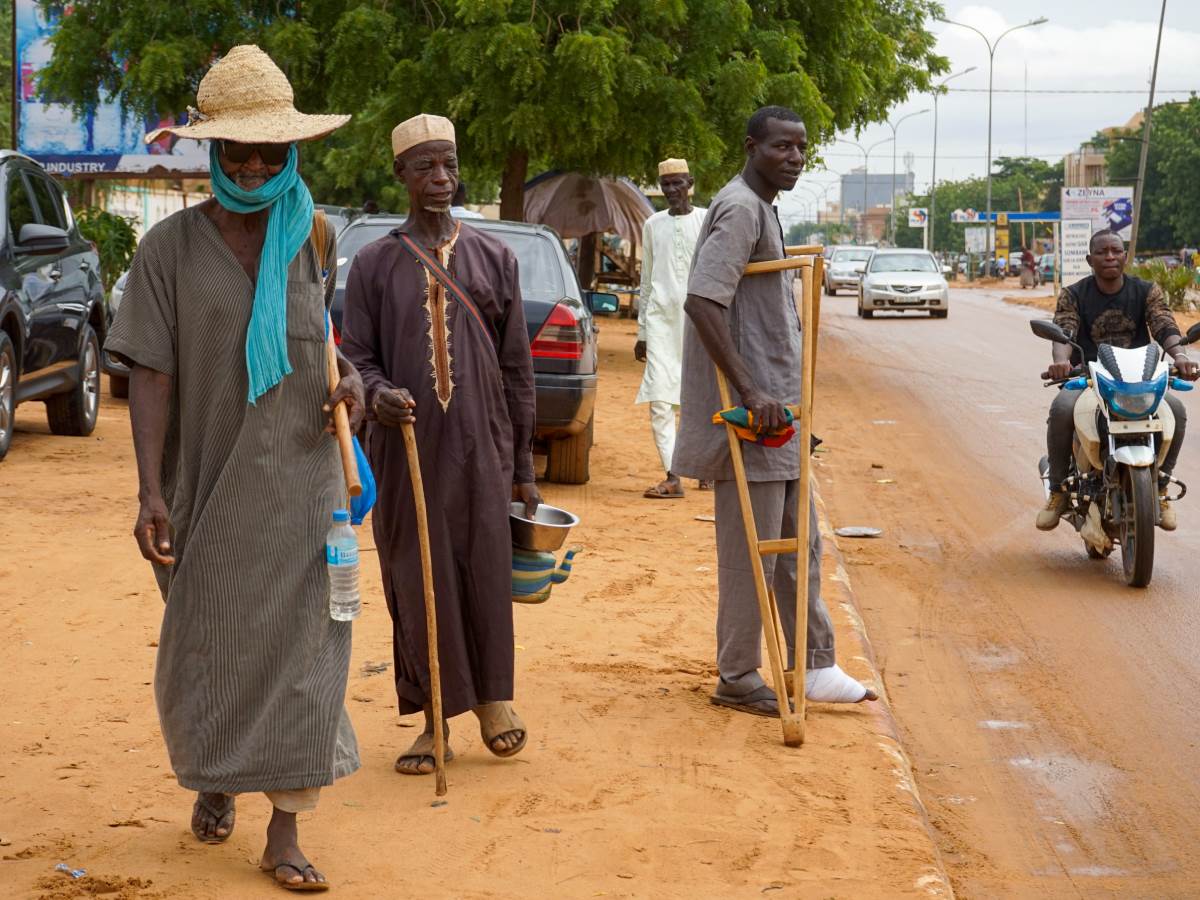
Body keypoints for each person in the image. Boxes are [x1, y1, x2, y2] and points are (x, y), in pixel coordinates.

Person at [104, 45, 363, 891]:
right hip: (204, 489)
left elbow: (320, 344)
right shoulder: (170, 249)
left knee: (309, 656)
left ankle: (285, 832)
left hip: (303, 489)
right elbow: (149, 370)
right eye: (237, 152)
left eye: (271, 152)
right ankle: (215, 775)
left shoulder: (315, 235)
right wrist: (150, 491)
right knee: (209, 649)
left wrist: (350, 383)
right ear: (210, 153)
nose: (254, 166)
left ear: (294, 154)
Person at [340, 113, 540, 775]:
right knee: (416, 577)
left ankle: (494, 702)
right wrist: (377, 393)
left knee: (483, 571)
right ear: (400, 174)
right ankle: (432, 723)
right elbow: (357, 360)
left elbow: (517, 367)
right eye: (425, 166)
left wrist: (524, 467)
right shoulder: (372, 264)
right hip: (408, 451)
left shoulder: (495, 258)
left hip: (482, 446)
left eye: (449, 165)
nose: (440, 179)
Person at [672, 106, 877, 716]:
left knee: (799, 545)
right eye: (782, 147)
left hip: (782, 418)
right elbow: (703, 302)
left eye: (801, 148)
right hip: (755, 420)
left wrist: (790, 408)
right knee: (751, 551)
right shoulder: (739, 208)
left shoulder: (764, 208)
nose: (793, 158)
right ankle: (737, 674)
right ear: (751, 146)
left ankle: (813, 664)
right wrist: (750, 393)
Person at [1038, 228, 1198, 532]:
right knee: (1061, 408)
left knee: (1176, 410)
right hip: (1090, 379)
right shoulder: (1074, 294)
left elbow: (1164, 325)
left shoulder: (1145, 290)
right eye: (1102, 252)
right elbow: (1064, 331)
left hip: (1140, 379)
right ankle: (1058, 492)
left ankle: (1161, 487)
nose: (1109, 256)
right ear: (1089, 259)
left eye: (1115, 251)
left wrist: (1180, 356)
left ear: (1125, 256)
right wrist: (1061, 362)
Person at [636, 158, 707, 499]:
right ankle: (673, 475)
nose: (672, 190)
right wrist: (642, 334)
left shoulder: (706, 219)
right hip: (661, 322)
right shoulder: (652, 224)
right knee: (660, 401)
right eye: (667, 185)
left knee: (702, 398)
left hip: (700, 323)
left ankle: (706, 467)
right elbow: (646, 280)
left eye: (679, 183)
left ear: (690, 182)